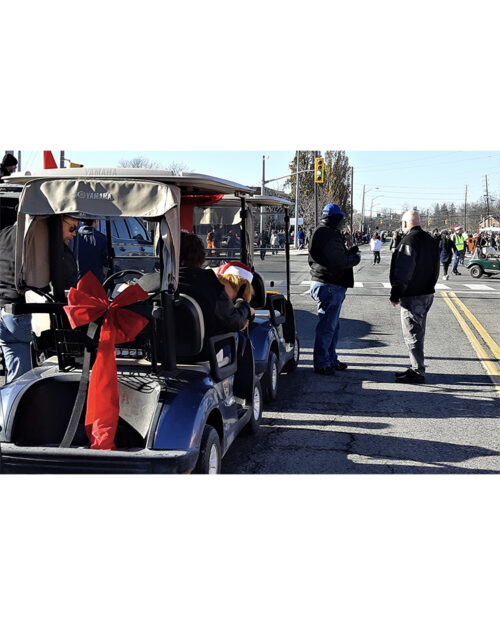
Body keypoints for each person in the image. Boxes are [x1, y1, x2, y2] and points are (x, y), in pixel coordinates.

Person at [0, 215, 80, 383]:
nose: (74, 234)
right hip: (20, 312)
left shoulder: (5, 234)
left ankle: (9, 404)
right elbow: (69, 280)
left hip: (3, 310)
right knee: (28, 377)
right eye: (72, 228)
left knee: (15, 372)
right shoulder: (43, 242)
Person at [177, 233, 253, 356]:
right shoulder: (210, 284)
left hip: (156, 354)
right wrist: (243, 304)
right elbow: (233, 321)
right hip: (202, 354)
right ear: (201, 258)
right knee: (241, 338)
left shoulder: (150, 282)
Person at [308, 203, 361, 375]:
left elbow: (336, 256)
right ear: (334, 218)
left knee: (332, 325)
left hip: (329, 284)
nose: (341, 222)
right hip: (328, 284)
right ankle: (322, 362)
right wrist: (354, 258)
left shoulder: (325, 232)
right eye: (340, 218)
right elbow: (337, 260)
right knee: (327, 326)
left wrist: (350, 249)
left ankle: (330, 359)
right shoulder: (326, 234)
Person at [390, 209, 440, 384]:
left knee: (412, 333)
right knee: (418, 332)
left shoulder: (409, 240)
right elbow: (436, 269)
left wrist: (396, 294)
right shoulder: (430, 240)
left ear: (405, 223)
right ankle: (414, 367)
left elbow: (404, 272)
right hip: (427, 293)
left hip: (413, 295)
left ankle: (418, 371)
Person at [74, 219, 108, 283]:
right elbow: (106, 261)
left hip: (77, 280)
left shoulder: (73, 236)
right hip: (96, 279)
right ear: (95, 221)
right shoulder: (101, 238)